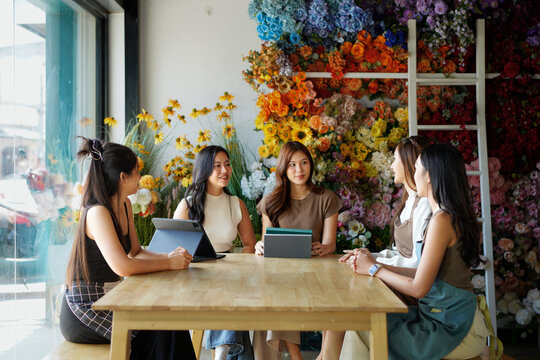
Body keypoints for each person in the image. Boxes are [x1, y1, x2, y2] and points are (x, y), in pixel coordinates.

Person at [326, 143, 491, 360]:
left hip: (454, 328)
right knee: (361, 322)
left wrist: (374, 268)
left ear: (430, 175)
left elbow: (419, 288)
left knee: (361, 327)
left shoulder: (442, 220)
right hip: (445, 319)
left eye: (417, 166)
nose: (413, 172)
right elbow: (423, 274)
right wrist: (372, 263)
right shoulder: (444, 216)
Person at [59, 138, 196, 360]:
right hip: (86, 308)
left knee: (171, 320)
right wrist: (170, 263)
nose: (140, 178)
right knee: (161, 329)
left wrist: (170, 256)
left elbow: (135, 252)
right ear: (123, 177)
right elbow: (123, 266)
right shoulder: (97, 212)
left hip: (112, 298)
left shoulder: (125, 203)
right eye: (137, 172)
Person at [253, 141, 342, 360]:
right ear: (283, 169)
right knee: (274, 293)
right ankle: (296, 356)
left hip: (318, 273)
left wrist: (324, 248)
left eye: (303, 163)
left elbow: (331, 245)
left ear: (310, 165)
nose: (299, 170)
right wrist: (259, 245)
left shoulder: (326, 198)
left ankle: (321, 356)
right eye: (292, 165)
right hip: (282, 274)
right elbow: (267, 242)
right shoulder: (271, 202)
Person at [173, 145, 256, 360]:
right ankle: (224, 351)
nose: (224, 170)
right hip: (195, 275)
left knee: (227, 287)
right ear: (204, 170)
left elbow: (250, 245)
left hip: (229, 272)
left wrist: (235, 264)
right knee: (224, 291)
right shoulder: (187, 204)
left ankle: (222, 351)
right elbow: (172, 246)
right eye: (217, 165)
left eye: (227, 164)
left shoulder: (235, 203)